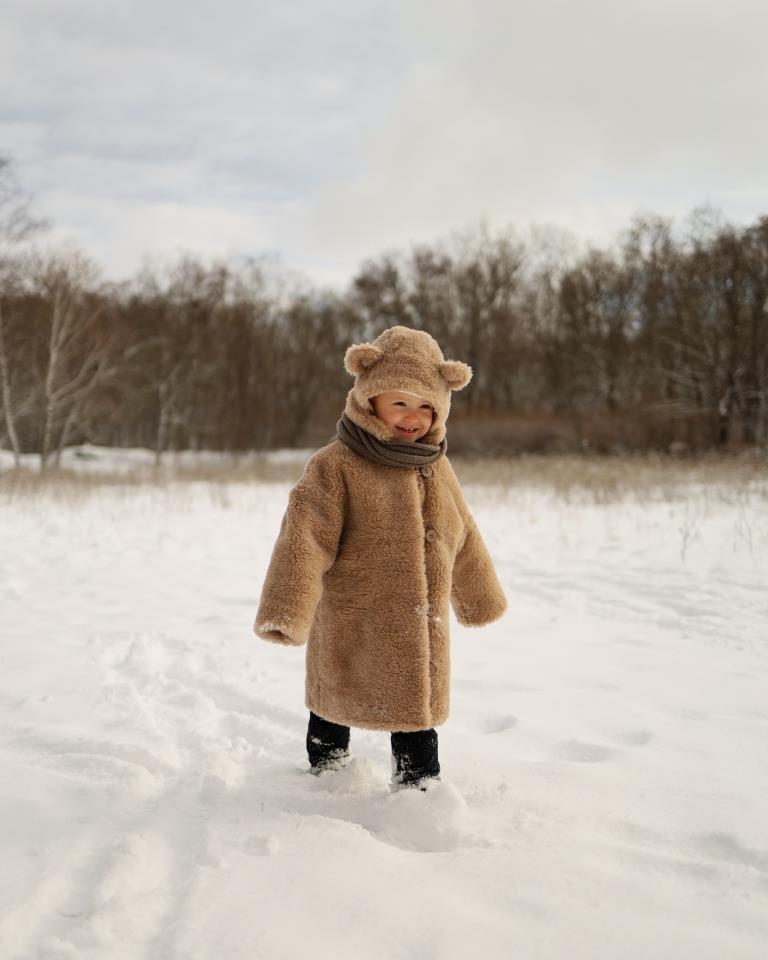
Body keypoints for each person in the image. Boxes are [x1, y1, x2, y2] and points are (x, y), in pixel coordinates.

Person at [253, 325, 507, 791]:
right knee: (335, 695)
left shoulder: (435, 465)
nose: (413, 417)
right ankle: (326, 772)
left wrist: (480, 598)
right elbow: (303, 539)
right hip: (352, 614)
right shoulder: (336, 465)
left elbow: (462, 533)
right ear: (369, 399)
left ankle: (419, 787)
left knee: (416, 706)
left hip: (419, 620)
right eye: (400, 403)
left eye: (426, 406)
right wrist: (286, 611)